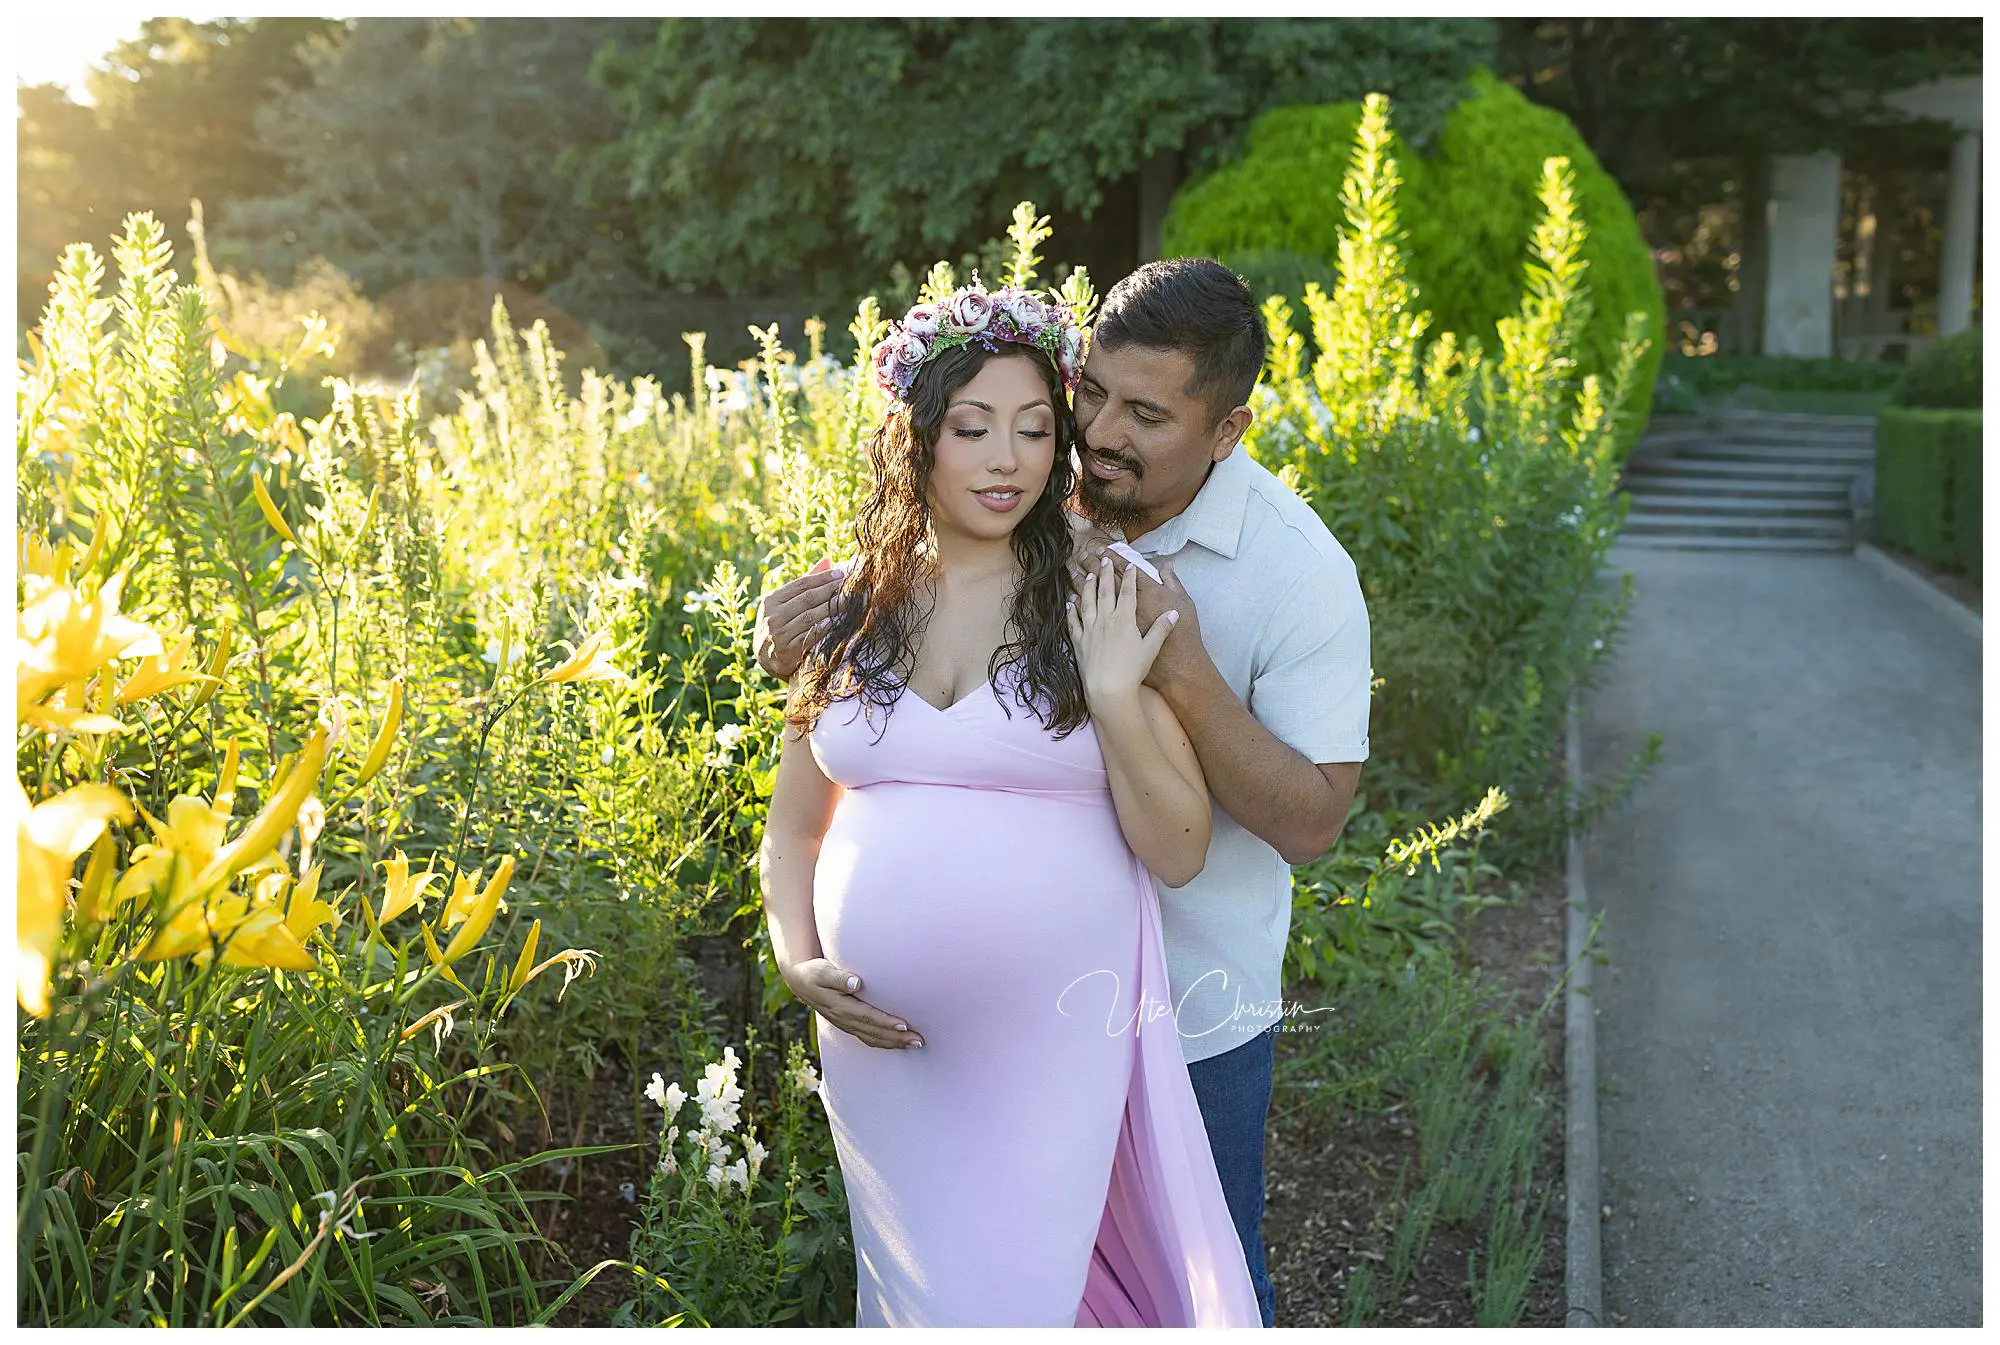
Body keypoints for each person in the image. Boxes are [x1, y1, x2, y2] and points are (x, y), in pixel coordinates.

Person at [758, 259, 1372, 1328]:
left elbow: (1307, 819)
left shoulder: (1286, 571)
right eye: (1085, 396)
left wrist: (1163, 670)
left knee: (1191, 1276)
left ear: (1223, 430)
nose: (1085, 436)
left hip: (1174, 996)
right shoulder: (984, 522)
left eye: (1139, 414)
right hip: (898, 1056)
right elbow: (804, 803)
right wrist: (795, 944)